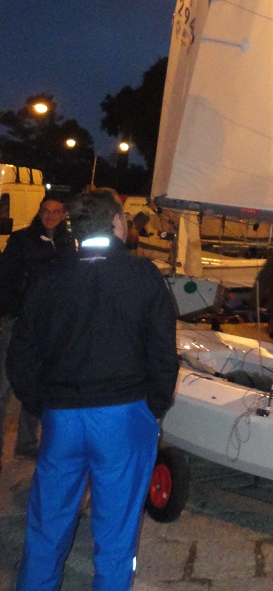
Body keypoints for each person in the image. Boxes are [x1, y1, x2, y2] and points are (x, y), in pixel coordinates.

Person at [6, 188, 179, 590]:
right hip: (123, 415)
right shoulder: (143, 275)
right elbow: (162, 354)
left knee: (47, 526)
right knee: (116, 533)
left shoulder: (50, 278)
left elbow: (20, 357)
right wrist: (154, 407)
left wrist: (42, 407)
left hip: (63, 417)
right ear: (117, 222)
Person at [0, 196, 71, 465]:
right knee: (5, 383)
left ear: (63, 215)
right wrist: (15, 309)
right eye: (46, 211)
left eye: (56, 212)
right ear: (39, 212)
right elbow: (4, 278)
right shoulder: (21, 240)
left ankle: (26, 443)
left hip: (49, 326)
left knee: (36, 384)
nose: (50, 216)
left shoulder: (67, 244)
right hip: (20, 321)